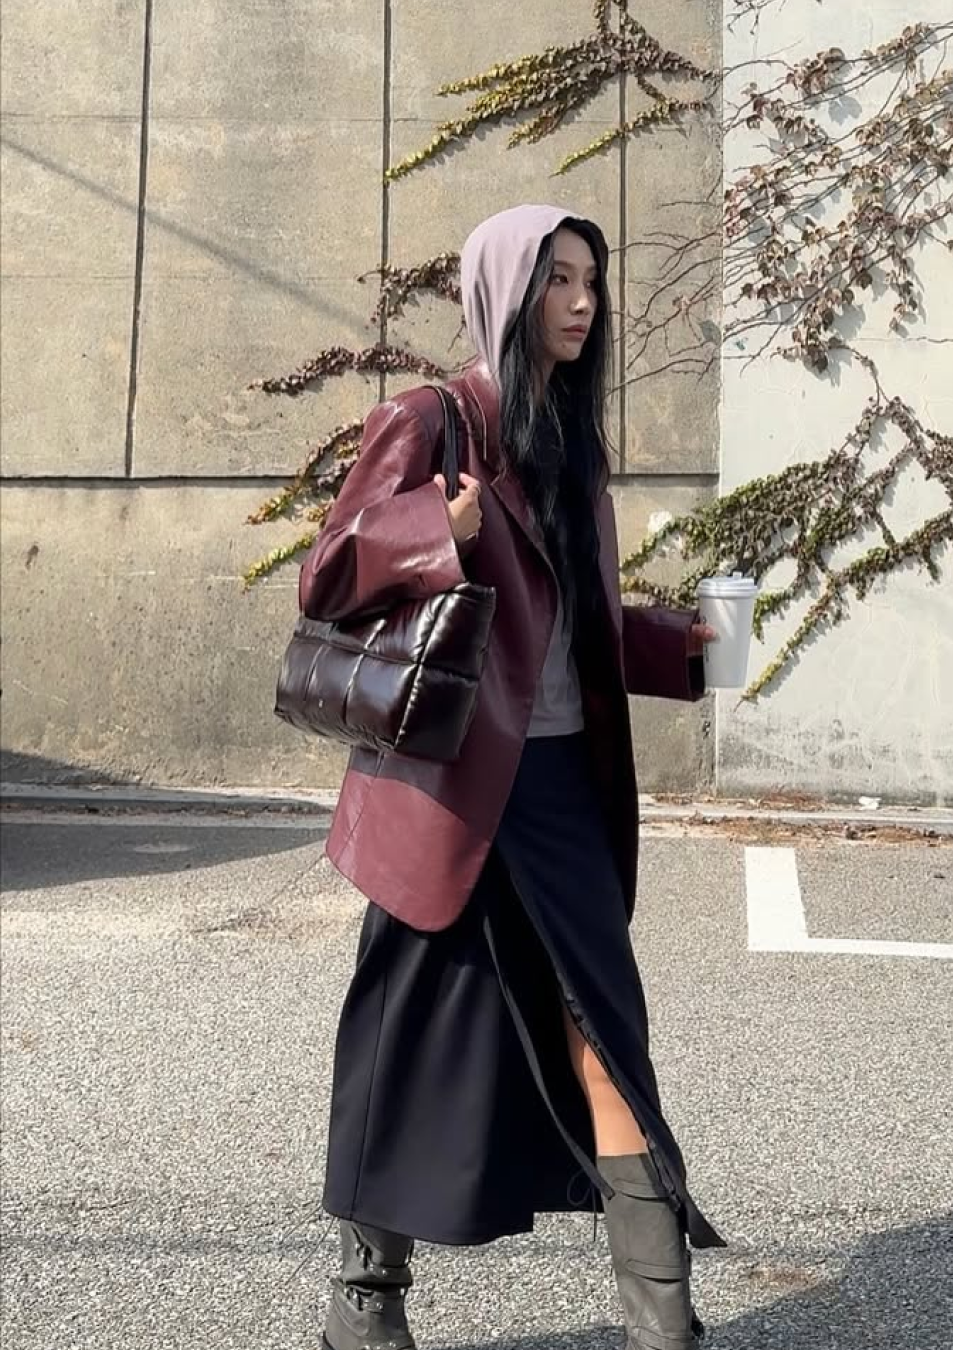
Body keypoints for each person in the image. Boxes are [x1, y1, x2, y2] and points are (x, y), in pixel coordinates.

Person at [299, 203, 724, 1350]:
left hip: (559, 792)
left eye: (590, 280)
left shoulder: (572, 444)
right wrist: (431, 533)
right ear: (506, 291)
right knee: (409, 1040)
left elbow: (573, 626)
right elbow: (327, 573)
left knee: (608, 1042)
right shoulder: (429, 420)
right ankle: (365, 1306)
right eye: (558, 280)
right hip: (446, 792)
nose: (582, 302)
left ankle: (664, 1327)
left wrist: (675, 649)